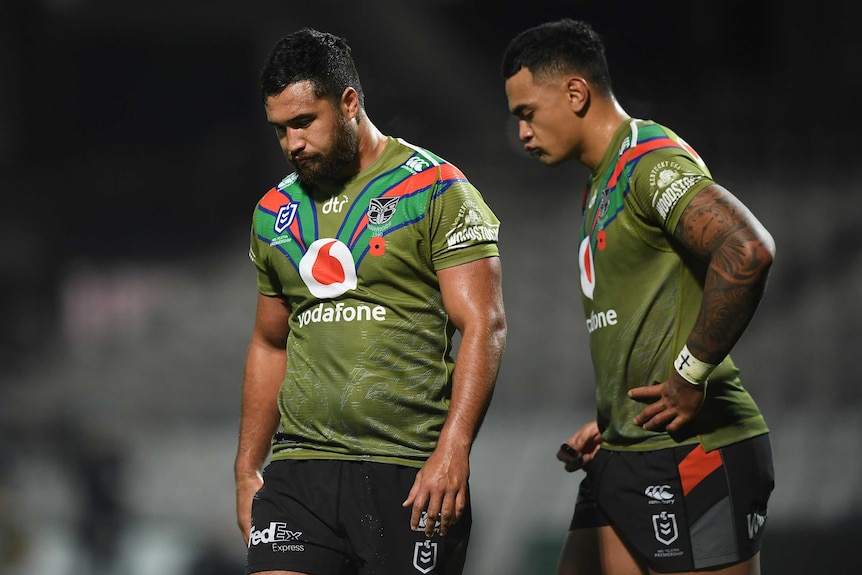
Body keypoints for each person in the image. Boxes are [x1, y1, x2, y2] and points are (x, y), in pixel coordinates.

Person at [502, 19, 776, 575]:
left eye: (527, 113)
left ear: (575, 92)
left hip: (695, 452)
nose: (522, 133)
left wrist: (688, 375)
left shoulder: (647, 165)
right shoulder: (602, 181)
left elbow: (747, 251)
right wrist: (618, 417)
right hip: (629, 447)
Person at [234, 28, 506, 575]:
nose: (292, 144)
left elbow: (485, 324)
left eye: (304, 122)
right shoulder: (273, 213)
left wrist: (454, 449)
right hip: (299, 472)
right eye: (280, 129)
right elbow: (269, 342)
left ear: (350, 103)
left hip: (406, 471)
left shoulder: (434, 188)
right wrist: (246, 469)